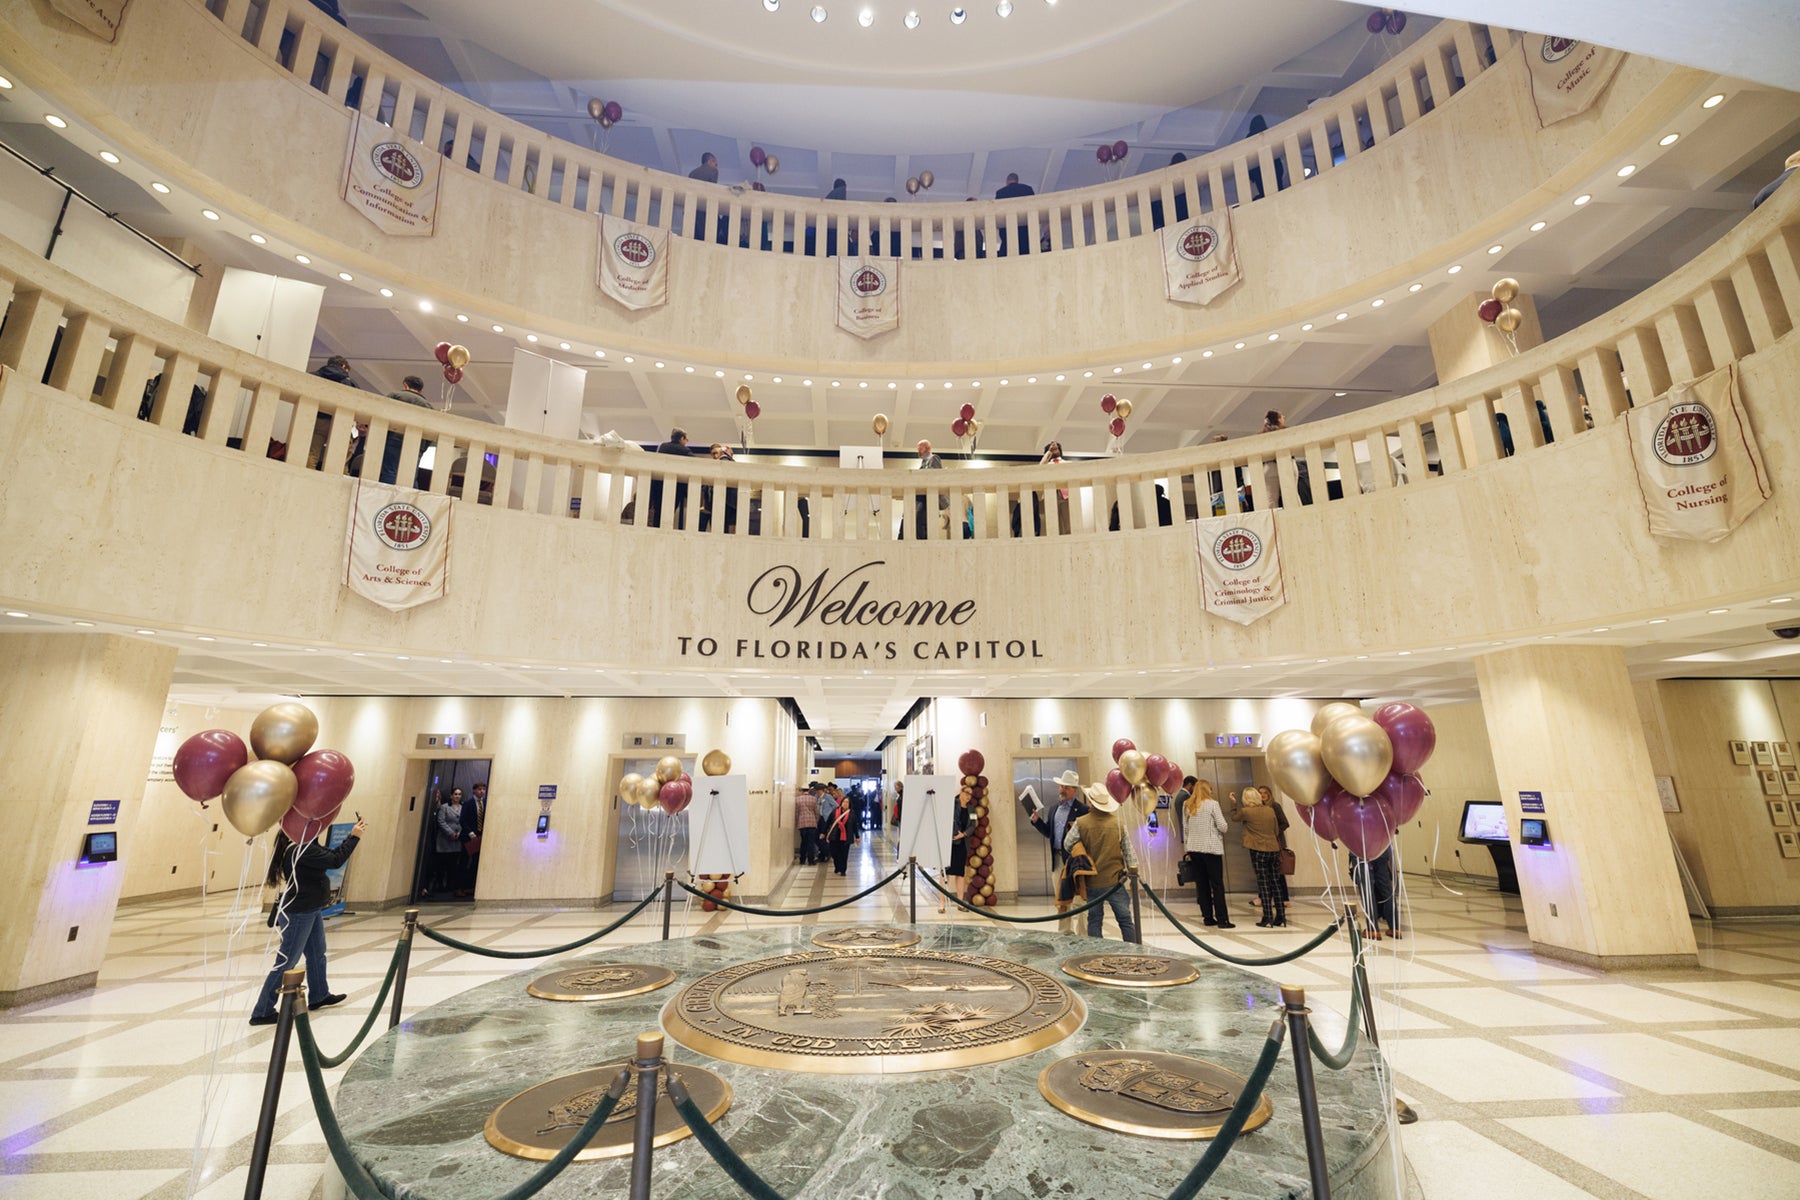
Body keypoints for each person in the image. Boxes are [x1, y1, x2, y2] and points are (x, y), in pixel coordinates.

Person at [249, 815, 366, 1025]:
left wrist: (350, 836)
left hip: (310, 909)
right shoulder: (300, 850)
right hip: (299, 912)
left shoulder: (304, 846)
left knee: (316, 954)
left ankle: (319, 995)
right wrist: (354, 837)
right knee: (286, 961)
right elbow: (335, 860)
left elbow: (329, 854)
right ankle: (262, 1010)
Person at [1064, 782, 1139, 943]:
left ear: (1091, 802)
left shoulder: (1081, 822)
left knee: (1094, 920)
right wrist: (1134, 874)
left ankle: (1096, 954)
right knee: (1125, 919)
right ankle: (1134, 951)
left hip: (1092, 881)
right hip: (1115, 880)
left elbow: (1067, 843)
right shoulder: (1118, 824)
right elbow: (1129, 852)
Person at [1029, 768, 1089, 932]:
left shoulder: (1083, 810)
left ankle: (1083, 935)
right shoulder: (1054, 808)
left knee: (1079, 901)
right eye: (1061, 786)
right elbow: (1049, 833)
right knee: (1062, 901)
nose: (1062, 789)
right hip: (1057, 862)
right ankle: (1065, 933)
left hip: (1075, 862)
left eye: (1067, 787)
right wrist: (1037, 821)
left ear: (1074, 790)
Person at [1180, 778, 1232, 928]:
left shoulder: (1187, 805)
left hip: (1194, 849)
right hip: (1211, 849)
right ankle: (1222, 919)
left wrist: (1187, 849)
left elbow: (1186, 829)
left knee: (1202, 885)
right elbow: (1223, 826)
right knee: (1217, 884)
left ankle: (1207, 917)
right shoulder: (1212, 804)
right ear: (1207, 790)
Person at [368, 374, 433, 487]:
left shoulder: (395, 396)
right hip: (416, 444)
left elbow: (380, 413)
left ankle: (388, 499)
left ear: (405, 385)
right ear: (421, 390)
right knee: (411, 475)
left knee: (390, 471)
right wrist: (422, 448)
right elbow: (431, 431)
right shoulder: (428, 406)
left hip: (394, 439)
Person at [1239, 789, 1286, 927]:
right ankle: (1281, 916)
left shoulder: (1246, 811)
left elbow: (1234, 817)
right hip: (1273, 848)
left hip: (1258, 850)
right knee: (1275, 882)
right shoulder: (1270, 810)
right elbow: (1276, 830)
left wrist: (1232, 804)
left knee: (1263, 883)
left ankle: (1267, 917)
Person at [1259, 410, 1313, 507]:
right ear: (1279, 419)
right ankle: (1297, 518)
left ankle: (1272, 521)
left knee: (1271, 499)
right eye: (1282, 417)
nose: (1283, 418)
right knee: (1292, 495)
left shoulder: (1262, 436)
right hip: (1287, 464)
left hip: (1269, 467)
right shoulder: (1286, 432)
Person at [647, 427, 696, 528]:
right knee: (669, 512)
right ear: (682, 438)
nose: (686, 442)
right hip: (676, 487)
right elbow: (696, 464)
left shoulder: (662, 447)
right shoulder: (685, 450)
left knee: (658, 512)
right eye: (686, 439)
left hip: (659, 485)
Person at [942, 784, 973, 911]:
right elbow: (944, 820)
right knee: (945, 873)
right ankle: (942, 903)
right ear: (961, 792)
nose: (968, 796)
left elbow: (973, 825)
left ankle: (960, 903)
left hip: (962, 844)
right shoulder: (951, 805)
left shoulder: (972, 810)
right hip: (949, 843)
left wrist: (963, 834)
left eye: (970, 794)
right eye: (966, 793)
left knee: (960, 874)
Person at [907, 439, 944, 539]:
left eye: (920, 448)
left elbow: (934, 475)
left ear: (927, 448)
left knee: (923, 524)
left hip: (928, 500)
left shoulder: (934, 458)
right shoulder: (923, 463)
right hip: (922, 501)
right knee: (919, 524)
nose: (918, 451)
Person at [429, 787, 463, 899]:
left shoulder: (463, 807)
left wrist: (459, 833)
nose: (457, 796)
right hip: (445, 839)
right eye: (455, 794)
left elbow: (463, 821)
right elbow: (441, 821)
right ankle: (440, 886)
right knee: (442, 863)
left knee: (454, 865)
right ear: (451, 796)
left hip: (457, 840)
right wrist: (450, 832)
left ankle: (450, 886)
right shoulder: (445, 807)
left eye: (459, 794)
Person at [698, 443, 739, 533]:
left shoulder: (724, 461)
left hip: (724, 502)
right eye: (713, 454)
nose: (715, 456)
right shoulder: (718, 465)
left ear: (721, 452)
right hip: (718, 503)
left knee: (721, 529)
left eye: (717, 453)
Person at [455, 782, 485, 897]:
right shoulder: (468, 803)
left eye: (483, 789)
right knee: (464, 862)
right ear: (474, 790)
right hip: (468, 837)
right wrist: (470, 832)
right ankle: (459, 887)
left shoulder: (486, 803)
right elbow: (463, 820)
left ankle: (470, 887)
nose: (481, 791)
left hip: (480, 837)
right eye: (479, 789)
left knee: (476, 863)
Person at [995, 172, 1034, 256]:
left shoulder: (1001, 193)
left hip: (1007, 229)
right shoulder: (1027, 190)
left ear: (1007, 181)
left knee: (1006, 252)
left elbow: (997, 211)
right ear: (1017, 180)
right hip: (1024, 229)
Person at [825, 784, 858, 875]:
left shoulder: (852, 814)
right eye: (844, 802)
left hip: (845, 837)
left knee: (844, 854)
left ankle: (843, 870)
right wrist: (824, 832)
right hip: (834, 836)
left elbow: (855, 826)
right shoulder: (835, 812)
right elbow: (828, 823)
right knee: (834, 853)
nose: (845, 804)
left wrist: (857, 836)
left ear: (849, 804)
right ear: (841, 803)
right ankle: (837, 866)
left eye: (847, 802)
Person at [795, 784, 821, 865]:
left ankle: (802, 859)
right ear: (809, 790)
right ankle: (811, 860)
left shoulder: (797, 799)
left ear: (802, 790)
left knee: (803, 842)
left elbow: (796, 813)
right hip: (812, 823)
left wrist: (797, 822)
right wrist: (816, 821)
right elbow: (816, 812)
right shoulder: (813, 799)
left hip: (802, 823)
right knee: (811, 842)